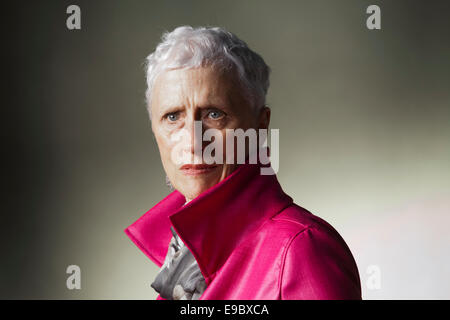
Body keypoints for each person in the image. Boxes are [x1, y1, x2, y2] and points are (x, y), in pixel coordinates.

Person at [124, 25, 361, 300]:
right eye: (173, 117)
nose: (192, 141)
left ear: (260, 126)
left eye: (214, 114)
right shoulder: (183, 254)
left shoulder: (302, 250)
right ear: (154, 129)